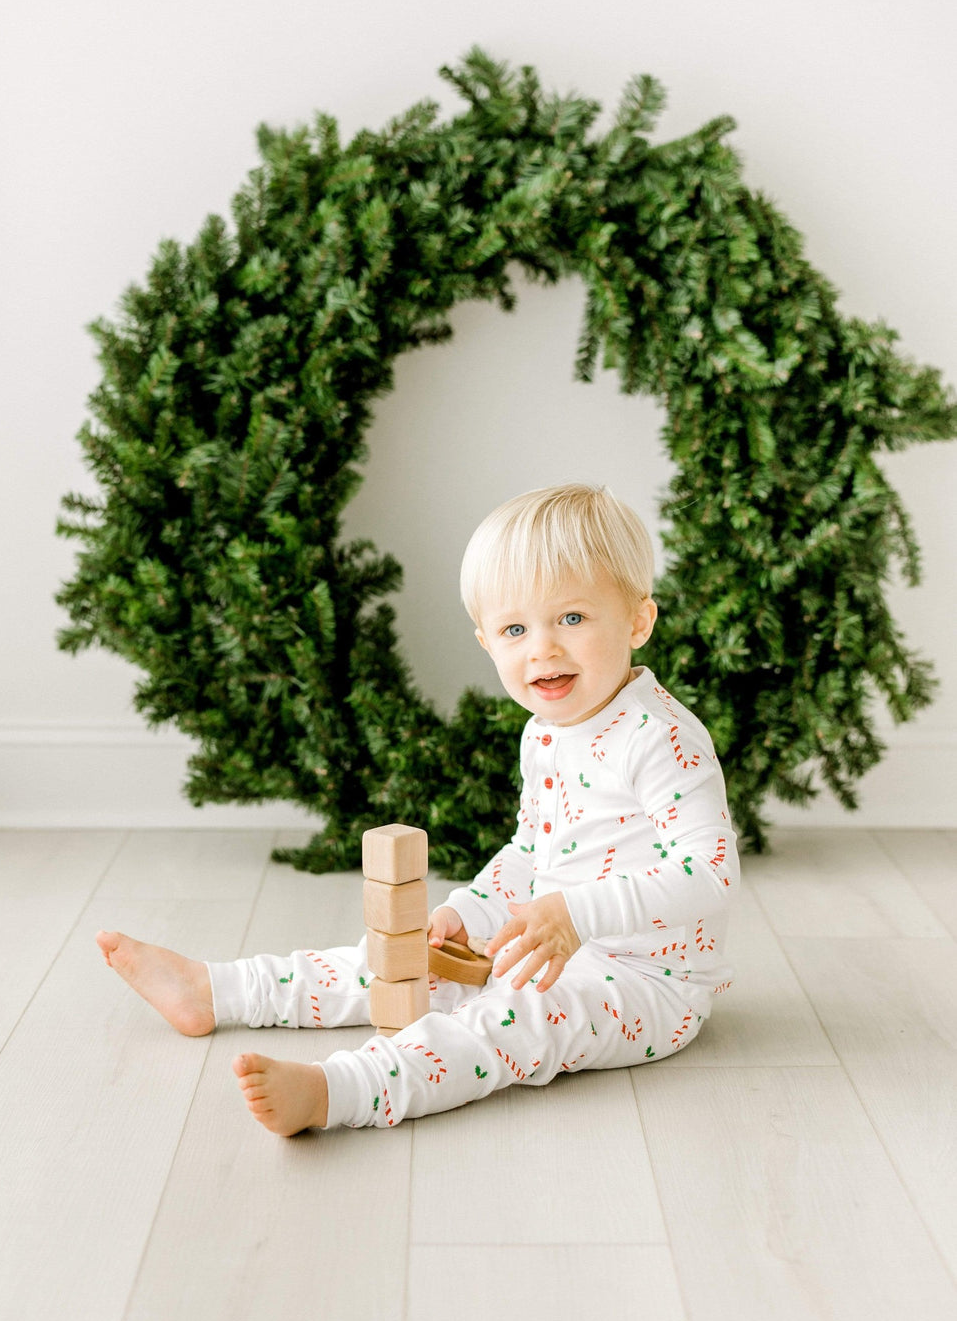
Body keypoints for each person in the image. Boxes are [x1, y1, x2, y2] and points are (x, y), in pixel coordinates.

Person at [97, 483, 740, 1135]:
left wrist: (576, 913)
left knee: (505, 1025)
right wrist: (469, 910)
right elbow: (531, 852)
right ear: (489, 643)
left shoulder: (659, 737)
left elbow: (711, 874)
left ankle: (340, 1090)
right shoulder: (545, 730)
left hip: (646, 981)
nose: (542, 648)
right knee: (395, 963)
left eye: (572, 619)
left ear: (637, 620)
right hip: (544, 940)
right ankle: (217, 989)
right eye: (516, 629)